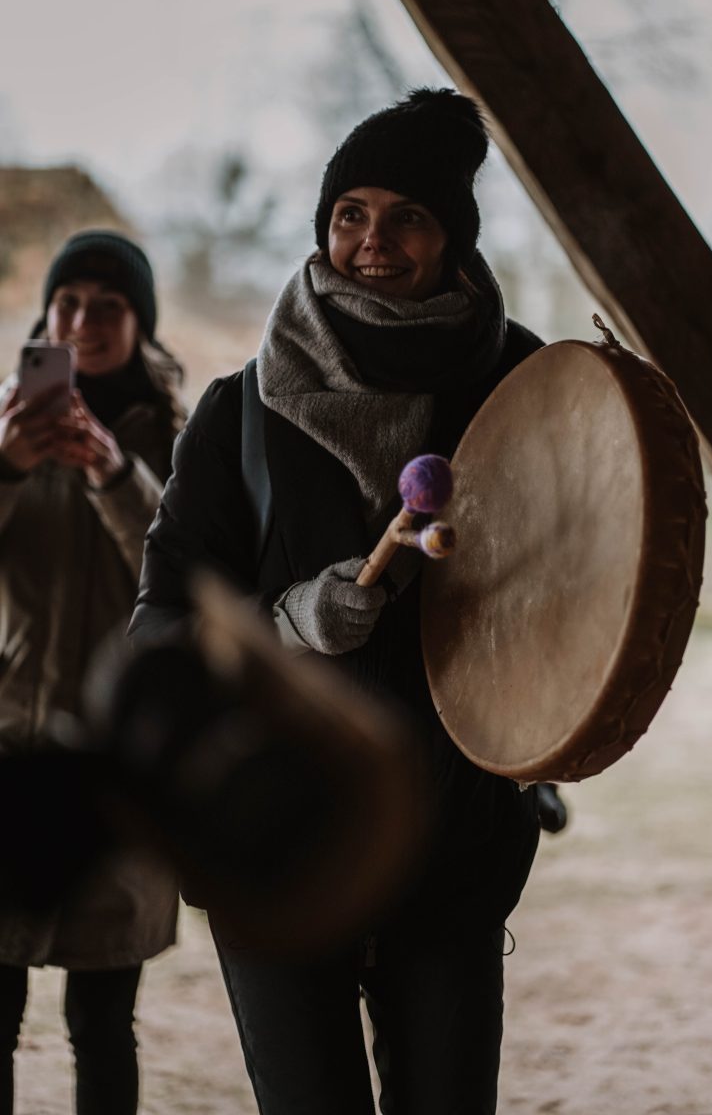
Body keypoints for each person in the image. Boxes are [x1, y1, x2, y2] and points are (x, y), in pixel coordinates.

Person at [129, 88, 545, 1115]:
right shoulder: (240, 413)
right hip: (273, 841)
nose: (372, 242)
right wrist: (285, 623)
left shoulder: (526, 392)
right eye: (350, 212)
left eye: (409, 216)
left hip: (449, 850)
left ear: (454, 237)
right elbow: (162, 627)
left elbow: (574, 591)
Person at [0, 230, 184, 1115]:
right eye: (67, 302)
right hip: (7, 753)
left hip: (120, 768)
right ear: (44, 319)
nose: (83, 321)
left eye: (109, 306)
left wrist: (115, 472)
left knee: (103, 1024)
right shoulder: (4, 426)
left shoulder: (181, 444)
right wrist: (6, 466)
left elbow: (185, 578)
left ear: (141, 326)